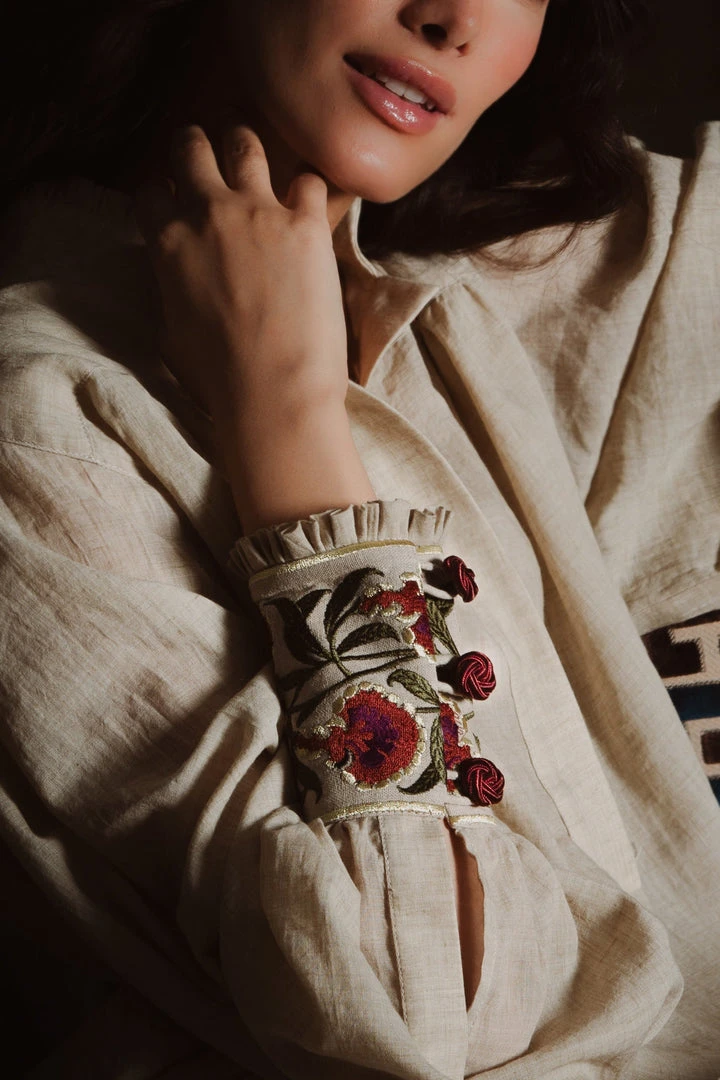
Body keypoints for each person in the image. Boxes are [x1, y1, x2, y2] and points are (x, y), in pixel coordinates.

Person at [0, 1, 719, 1077]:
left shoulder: (451, 302)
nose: (454, 19)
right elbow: (424, 1024)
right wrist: (285, 419)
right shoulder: (43, 426)